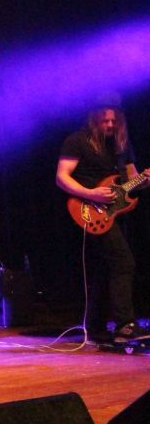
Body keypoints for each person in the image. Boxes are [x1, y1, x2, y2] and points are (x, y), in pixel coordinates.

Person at [55, 100, 150, 345]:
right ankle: (124, 326)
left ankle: (95, 327)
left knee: (105, 268)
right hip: (89, 209)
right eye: (105, 120)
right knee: (123, 261)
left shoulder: (121, 145)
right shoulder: (77, 141)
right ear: (94, 119)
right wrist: (91, 193)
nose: (109, 125)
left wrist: (144, 181)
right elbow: (61, 177)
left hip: (113, 213)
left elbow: (131, 181)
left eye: (113, 121)